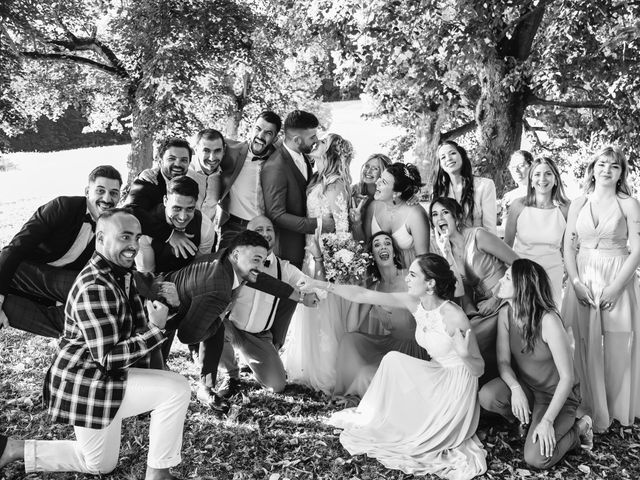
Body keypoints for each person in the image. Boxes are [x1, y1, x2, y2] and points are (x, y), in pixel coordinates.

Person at [0, 208, 191, 479]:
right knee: (176, 388)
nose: (133, 245)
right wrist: (156, 329)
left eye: (136, 237)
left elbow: (137, 325)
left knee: (99, 464)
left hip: (100, 378)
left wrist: (168, 309)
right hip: (86, 383)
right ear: (101, 239)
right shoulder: (95, 286)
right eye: (125, 237)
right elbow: (109, 358)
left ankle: (13, 449)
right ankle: (158, 475)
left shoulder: (121, 275)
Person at [300, 254, 487, 479]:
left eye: (413, 275)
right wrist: (319, 284)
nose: (407, 278)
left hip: (456, 386)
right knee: (393, 360)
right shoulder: (414, 302)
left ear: (430, 283)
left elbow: (478, 369)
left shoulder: (453, 317)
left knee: (411, 434)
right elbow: (363, 295)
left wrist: (465, 354)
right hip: (435, 371)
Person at [164, 230, 305, 410]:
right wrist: (221, 315)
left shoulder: (226, 258)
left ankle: (205, 387)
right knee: (215, 327)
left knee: (216, 325)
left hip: (178, 301)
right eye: (256, 260)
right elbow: (187, 336)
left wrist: (299, 296)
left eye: (263, 261)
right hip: (160, 316)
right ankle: (212, 383)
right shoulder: (218, 290)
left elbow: (261, 280)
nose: (261, 267)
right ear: (237, 255)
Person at [479, 260, 593, 470]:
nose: (500, 281)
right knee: (488, 396)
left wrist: (548, 421)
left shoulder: (549, 320)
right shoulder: (506, 312)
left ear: (522, 286)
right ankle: (527, 421)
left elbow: (567, 378)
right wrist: (515, 388)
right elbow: (503, 361)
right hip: (527, 387)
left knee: (536, 459)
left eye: (507, 278)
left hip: (557, 395)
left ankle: (580, 428)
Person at [562, 145, 640, 433]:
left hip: (617, 274)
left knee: (618, 344)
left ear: (621, 173)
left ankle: (615, 406)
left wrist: (617, 287)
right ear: (592, 169)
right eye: (602, 164)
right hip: (583, 276)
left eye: (614, 166)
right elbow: (568, 247)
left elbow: (637, 250)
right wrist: (576, 283)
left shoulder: (629, 204)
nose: (607, 170)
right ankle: (588, 404)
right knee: (581, 341)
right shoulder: (578, 204)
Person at [0, 165, 122, 336]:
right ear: (87, 191)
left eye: (113, 193)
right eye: (100, 191)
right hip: (23, 273)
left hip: (58, 289)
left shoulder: (113, 225)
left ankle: (74, 336)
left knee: (83, 324)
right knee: (90, 289)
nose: (107, 198)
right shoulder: (62, 207)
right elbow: (15, 248)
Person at [282, 132, 355, 395]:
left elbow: (342, 227)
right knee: (310, 307)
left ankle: (327, 373)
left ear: (331, 151)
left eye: (322, 142)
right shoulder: (318, 179)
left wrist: (324, 253)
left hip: (321, 251)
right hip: (309, 249)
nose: (316, 143)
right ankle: (307, 367)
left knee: (324, 310)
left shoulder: (335, 184)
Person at [218, 215, 318, 397]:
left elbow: (309, 284)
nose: (265, 234)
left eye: (269, 229)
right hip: (230, 327)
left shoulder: (284, 268)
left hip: (258, 336)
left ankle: (250, 359)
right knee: (214, 327)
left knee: (277, 385)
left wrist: (318, 287)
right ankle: (230, 374)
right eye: (259, 230)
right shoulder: (234, 262)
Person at [334, 231, 429, 400]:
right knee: (352, 347)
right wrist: (359, 288)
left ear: (394, 251)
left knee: (388, 383)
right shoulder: (374, 288)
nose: (383, 246)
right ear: (372, 256)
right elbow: (351, 327)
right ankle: (354, 393)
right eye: (377, 245)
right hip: (392, 349)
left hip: (419, 348)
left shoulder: (410, 276)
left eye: (387, 243)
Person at [430, 196, 518, 380]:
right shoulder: (445, 249)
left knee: (470, 341)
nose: (440, 218)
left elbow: (520, 264)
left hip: (509, 298)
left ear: (457, 216)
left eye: (445, 212)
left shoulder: (478, 236)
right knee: (459, 336)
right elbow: (459, 291)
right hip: (484, 307)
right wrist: (446, 253)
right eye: (435, 214)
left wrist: (496, 298)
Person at [261, 110, 336, 269]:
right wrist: (319, 224)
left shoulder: (304, 157)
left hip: (308, 249)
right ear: (297, 140)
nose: (316, 140)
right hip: (287, 252)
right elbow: (276, 214)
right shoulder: (275, 166)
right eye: (311, 137)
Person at [504, 157, 570, 308]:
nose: (542, 179)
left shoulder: (565, 208)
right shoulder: (518, 205)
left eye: (548, 174)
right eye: (537, 174)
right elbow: (506, 245)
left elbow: (567, 247)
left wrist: (569, 270)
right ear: (531, 180)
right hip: (522, 272)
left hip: (552, 273)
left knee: (549, 318)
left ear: (556, 179)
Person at [216, 111, 283, 249]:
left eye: (268, 133)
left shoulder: (279, 159)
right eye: (258, 129)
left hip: (263, 229)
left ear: (275, 138)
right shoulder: (231, 150)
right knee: (224, 267)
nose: (260, 136)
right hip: (233, 226)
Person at [124, 137, 197, 259]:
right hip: (145, 246)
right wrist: (169, 234)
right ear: (160, 160)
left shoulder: (192, 181)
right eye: (171, 159)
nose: (178, 164)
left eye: (183, 160)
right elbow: (131, 211)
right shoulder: (147, 180)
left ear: (189, 163)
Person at [363, 162, 430, 268]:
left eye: (383, 182)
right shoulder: (373, 207)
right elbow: (367, 246)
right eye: (380, 177)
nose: (377, 182)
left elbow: (424, 260)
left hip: (411, 269)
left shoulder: (416, 214)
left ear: (397, 193)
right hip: (380, 271)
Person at [433, 141, 497, 234]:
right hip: (451, 246)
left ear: (462, 156)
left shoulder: (485, 185)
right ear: (441, 165)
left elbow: (490, 228)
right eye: (443, 157)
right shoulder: (440, 192)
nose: (448, 159)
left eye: (452, 153)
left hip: (479, 245)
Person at [186, 128, 225, 223]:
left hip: (207, 233)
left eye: (217, 151)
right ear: (196, 149)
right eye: (206, 151)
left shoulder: (225, 175)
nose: (212, 157)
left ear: (224, 150)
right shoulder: (185, 169)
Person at [349, 153, 391, 240]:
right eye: (367, 166)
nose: (368, 171)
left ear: (384, 173)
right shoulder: (352, 192)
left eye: (375, 168)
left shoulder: (390, 195)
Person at [501, 150, 534, 224]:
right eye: (512, 167)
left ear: (531, 167)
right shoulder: (508, 197)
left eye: (521, 166)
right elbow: (505, 229)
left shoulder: (543, 194)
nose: (516, 170)